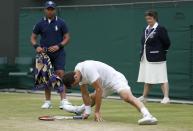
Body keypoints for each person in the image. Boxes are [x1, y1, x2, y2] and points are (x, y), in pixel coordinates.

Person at [62, 60, 158, 125]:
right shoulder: (77, 72)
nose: (76, 85)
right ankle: (80, 110)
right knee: (93, 97)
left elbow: (99, 90)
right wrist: (88, 111)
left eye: (75, 83)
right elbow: (84, 93)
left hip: (115, 80)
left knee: (126, 97)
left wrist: (97, 111)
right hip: (104, 85)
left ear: (75, 77)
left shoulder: (88, 69)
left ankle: (148, 115)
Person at [30, 1, 72, 109]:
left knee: (60, 74)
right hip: (44, 54)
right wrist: (37, 47)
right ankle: (48, 101)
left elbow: (67, 37)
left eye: (52, 9)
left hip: (59, 53)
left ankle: (63, 100)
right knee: (45, 77)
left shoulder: (62, 22)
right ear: (44, 10)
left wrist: (59, 46)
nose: (50, 11)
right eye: (48, 9)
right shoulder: (39, 23)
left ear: (55, 10)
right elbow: (33, 38)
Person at [137, 10, 171, 104]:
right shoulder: (145, 29)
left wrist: (162, 52)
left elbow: (167, 43)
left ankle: (166, 97)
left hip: (158, 57)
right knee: (148, 78)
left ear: (155, 18)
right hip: (146, 57)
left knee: (162, 77)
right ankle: (144, 97)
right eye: (147, 18)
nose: (148, 20)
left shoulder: (160, 28)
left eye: (150, 18)